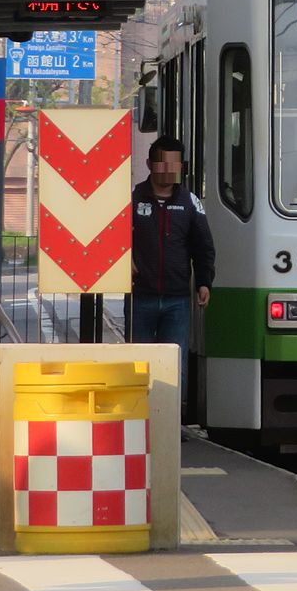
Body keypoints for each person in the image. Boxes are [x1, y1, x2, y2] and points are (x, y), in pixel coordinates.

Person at [128, 134, 215, 410]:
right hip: (140, 296)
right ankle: (139, 422)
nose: (167, 170)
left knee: (172, 366)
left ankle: (168, 425)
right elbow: (114, 237)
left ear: (181, 167)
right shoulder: (131, 199)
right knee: (138, 364)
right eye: (162, 163)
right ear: (149, 164)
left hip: (178, 299)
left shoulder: (190, 202)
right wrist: (124, 260)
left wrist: (204, 282)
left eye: (173, 164)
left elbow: (203, 245)